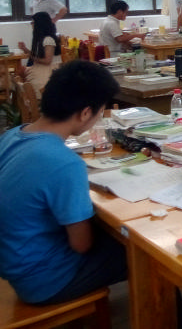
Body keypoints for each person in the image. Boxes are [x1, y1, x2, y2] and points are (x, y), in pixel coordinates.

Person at [0, 60, 126, 305]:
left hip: (15, 261)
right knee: (145, 252)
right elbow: (81, 244)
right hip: (45, 280)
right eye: (100, 112)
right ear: (86, 113)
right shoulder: (64, 162)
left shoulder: (12, 136)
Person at [17, 12, 61, 92]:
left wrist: (31, 57)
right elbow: (38, 56)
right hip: (41, 68)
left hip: (48, 71)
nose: (31, 24)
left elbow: (47, 61)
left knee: (29, 84)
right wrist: (25, 49)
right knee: (19, 74)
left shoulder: (48, 39)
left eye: (33, 22)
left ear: (40, 24)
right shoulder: (41, 39)